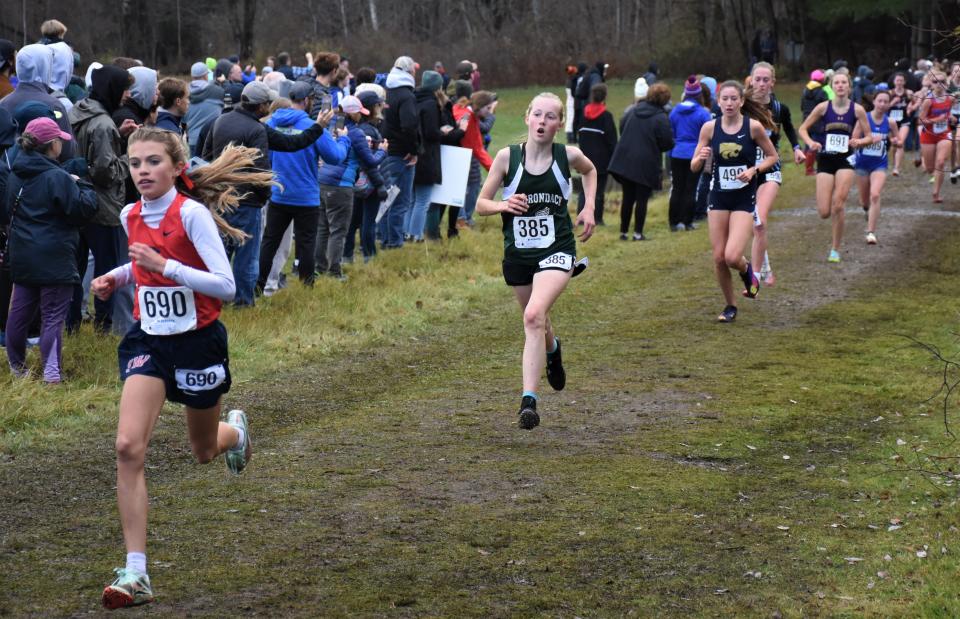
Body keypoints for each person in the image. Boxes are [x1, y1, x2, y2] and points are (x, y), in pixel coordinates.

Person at [90, 128, 267, 609]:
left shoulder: (191, 215)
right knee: (128, 447)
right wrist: (116, 276)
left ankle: (235, 434)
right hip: (148, 341)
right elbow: (140, 266)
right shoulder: (129, 214)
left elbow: (225, 286)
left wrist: (164, 267)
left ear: (175, 167)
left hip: (198, 342)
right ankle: (136, 573)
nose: (142, 171)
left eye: (152, 162)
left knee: (204, 450)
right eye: (134, 163)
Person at [475, 92, 597, 429]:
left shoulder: (567, 155)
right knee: (537, 320)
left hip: (557, 248)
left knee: (532, 316)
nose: (543, 122)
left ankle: (529, 401)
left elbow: (590, 170)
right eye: (538, 115)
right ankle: (553, 350)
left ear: (560, 124)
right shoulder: (505, 158)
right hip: (518, 253)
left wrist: (588, 207)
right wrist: (503, 205)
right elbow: (481, 204)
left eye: (551, 117)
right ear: (527, 118)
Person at [201, 80, 334, 306]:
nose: (271, 106)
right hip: (247, 201)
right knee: (246, 255)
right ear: (261, 106)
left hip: (219, 199)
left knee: (221, 252)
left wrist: (211, 190)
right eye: (268, 103)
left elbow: (205, 156)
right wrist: (264, 197)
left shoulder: (221, 120)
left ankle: (215, 300)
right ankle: (243, 302)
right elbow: (261, 170)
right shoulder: (256, 129)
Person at [3, 118, 98, 382]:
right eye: (59, 141)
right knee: (53, 316)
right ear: (52, 145)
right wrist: (83, 184)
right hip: (54, 257)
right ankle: (52, 375)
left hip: (23, 255)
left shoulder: (15, 174)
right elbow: (81, 211)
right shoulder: (58, 177)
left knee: (19, 314)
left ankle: (17, 369)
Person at [691, 80, 778, 323]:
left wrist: (754, 171)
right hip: (718, 196)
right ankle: (730, 306)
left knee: (731, 256)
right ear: (718, 102)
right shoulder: (709, 128)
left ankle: (747, 271)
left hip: (743, 197)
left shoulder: (754, 127)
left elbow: (772, 157)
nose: (729, 103)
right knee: (718, 257)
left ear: (741, 101)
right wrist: (701, 157)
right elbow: (693, 165)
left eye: (733, 99)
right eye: (724, 99)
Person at [257, 80, 348, 292]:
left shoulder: (270, 124)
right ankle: (307, 289)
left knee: (270, 241)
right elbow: (335, 157)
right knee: (306, 243)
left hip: (278, 194)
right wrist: (344, 141)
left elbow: (266, 156)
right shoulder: (313, 127)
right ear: (307, 101)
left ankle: (258, 286)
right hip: (306, 197)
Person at [70, 65, 140, 333]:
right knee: (108, 269)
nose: (127, 95)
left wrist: (118, 138)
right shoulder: (103, 124)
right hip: (104, 207)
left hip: (80, 202)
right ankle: (103, 326)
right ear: (112, 89)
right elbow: (105, 173)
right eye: (124, 89)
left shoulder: (80, 110)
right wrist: (129, 156)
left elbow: (92, 156)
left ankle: (72, 324)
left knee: (76, 268)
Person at [798, 71, 872, 262]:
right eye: (836, 83)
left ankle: (835, 249)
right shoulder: (823, 108)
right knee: (824, 211)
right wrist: (811, 143)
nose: (840, 86)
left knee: (838, 204)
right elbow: (803, 129)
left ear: (849, 87)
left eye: (843, 83)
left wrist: (859, 142)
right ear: (831, 86)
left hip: (846, 160)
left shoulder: (857, 110)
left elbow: (869, 136)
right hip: (825, 159)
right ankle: (831, 218)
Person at [315, 95, 386, 280]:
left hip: (322, 181)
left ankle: (319, 267)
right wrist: (382, 151)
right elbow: (370, 162)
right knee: (338, 230)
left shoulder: (331, 127)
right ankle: (334, 272)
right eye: (359, 113)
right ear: (353, 113)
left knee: (323, 228)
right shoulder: (356, 134)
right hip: (342, 185)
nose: (361, 116)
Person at [747, 62, 804, 286]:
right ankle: (767, 266)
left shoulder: (780, 109)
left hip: (770, 167)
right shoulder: (742, 106)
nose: (761, 84)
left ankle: (755, 276)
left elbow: (789, 127)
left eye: (765, 80)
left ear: (773, 82)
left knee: (759, 222)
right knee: (754, 222)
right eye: (757, 79)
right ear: (751, 80)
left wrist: (797, 148)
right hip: (746, 170)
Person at [608, 83, 673, 241]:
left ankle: (623, 232)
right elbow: (667, 142)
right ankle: (637, 233)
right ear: (664, 100)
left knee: (627, 197)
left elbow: (622, 127)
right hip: (646, 162)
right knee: (642, 199)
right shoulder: (661, 117)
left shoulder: (632, 111)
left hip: (626, 159)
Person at [0, 44, 76, 162]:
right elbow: (67, 152)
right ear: (45, 67)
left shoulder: (3, 103)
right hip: (50, 176)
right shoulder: (54, 105)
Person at [344, 90, 390, 261]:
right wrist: (380, 185)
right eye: (379, 104)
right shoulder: (367, 131)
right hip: (368, 184)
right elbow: (369, 163)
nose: (381, 107)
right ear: (372, 107)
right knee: (368, 222)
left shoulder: (363, 128)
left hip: (357, 182)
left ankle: (347, 255)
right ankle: (369, 256)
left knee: (353, 221)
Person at [381, 56, 420, 248]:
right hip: (402, 155)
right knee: (400, 201)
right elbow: (410, 126)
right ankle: (395, 244)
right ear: (410, 72)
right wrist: (413, 150)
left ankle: (385, 239)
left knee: (388, 198)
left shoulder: (388, 91)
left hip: (388, 150)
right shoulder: (407, 96)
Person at [852, 89, 900, 245]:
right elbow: (853, 141)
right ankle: (867, 210)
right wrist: (869, 140)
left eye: (886, 101)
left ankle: (871, 232)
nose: (882, 104)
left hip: (879, 164)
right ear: (874, 102)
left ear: (888, 105)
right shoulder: (863, 119)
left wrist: (896, 142)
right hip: (862, 164)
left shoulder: (890, 122)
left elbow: (898, 141)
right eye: (880, 101)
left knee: (875, 194)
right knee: (865, 201)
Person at [669, 75, 712, 231]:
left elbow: (672, 132)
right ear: (699, 95)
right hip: (695, 154)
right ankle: (687, 221)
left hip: (677, 153)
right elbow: (708, 135)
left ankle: (674, 222)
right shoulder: (703, 113)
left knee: (677, 187)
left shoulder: (674, 111)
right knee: (691, 188)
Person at [408, 70, 446, 242]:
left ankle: (406, 233)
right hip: (426, 156)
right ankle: (416, 235)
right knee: (423, 200)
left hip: (413, 152)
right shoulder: (431, 104)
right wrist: (443, 132)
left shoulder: (413, 98)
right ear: (437, 87)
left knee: (412, 199)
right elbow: (431, 133)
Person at [452, 90, 495, 229]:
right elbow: (477, 147)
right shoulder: (467, 117)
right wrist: (496, 170)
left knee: (473, 184)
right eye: (488, 108)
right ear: (480, 106)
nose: (489, 112)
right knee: (464, 187)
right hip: (460, 156)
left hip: (464, 155)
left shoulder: (468, 113)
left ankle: (464, 218)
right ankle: (462, 219)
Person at [576, 83, 617, 226]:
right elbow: (612, 141)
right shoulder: (606, 116)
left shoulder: (583, 114)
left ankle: (580, 217)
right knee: (598, 191)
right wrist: (613, 160)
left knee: (584, 189)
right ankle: (597, 219)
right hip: (602, 161)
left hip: (584, 158)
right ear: (604, 97)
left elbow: (579, 135)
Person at [917, 70, 956, 203]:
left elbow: (948, 113)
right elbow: (920, 120)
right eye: (935, 82)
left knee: (940, 162)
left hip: (944, 133)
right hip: (928, 135)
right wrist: (935, 120)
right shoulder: (928, 101)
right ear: (931, 84)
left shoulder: (950, 98)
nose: (939, 84)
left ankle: (936, 193)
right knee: (929, 169)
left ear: (946, 83)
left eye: (942, 82)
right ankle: (925, 163)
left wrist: (950, 117)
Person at [184, 62, 224, 157]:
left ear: (192, 76)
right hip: (213, 139)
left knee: (195, 170)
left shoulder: (183, 93)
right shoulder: (218, 91)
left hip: (193, 141)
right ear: (206, 75)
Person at [887, 72, 913, 176]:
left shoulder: (909, 92)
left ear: (904, 82)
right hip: (892, 122)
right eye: (897, 80)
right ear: (894, 82)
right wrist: (892, 103)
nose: (899, 82)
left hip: (904, 121)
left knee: (900, 142)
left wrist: (911, 107)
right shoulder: (889, 93)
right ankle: (895, 164)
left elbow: (916, 102)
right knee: (894, 144)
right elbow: (883, 108)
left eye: (901, 80)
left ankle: (896, 168)